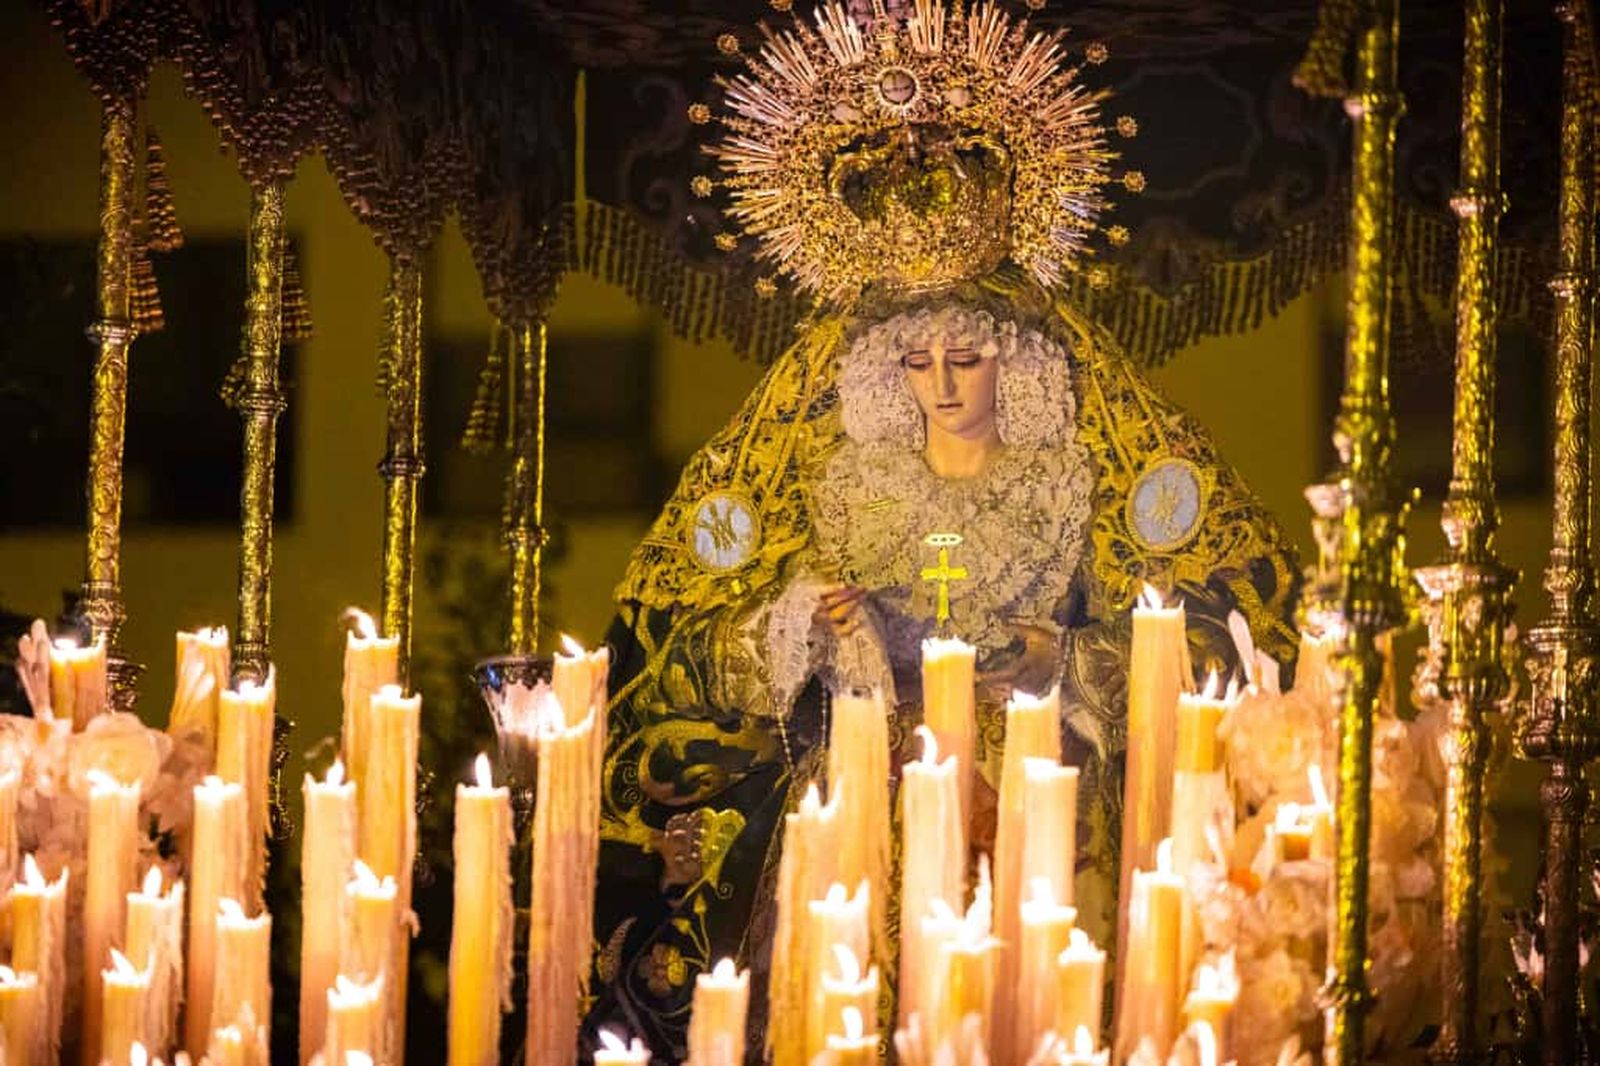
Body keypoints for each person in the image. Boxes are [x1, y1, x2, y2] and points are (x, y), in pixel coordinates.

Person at [583, 3, 1299, 1056]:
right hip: (852, 809)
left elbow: (1219, 642)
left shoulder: (1076, 477)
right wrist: (798, 628)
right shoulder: (825, 480)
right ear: (886, 372)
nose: (944, 385)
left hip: (1040, 817)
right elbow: (675, 654)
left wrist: (1059, 656)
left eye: (967, 357)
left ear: (1013, 357)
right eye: (917, 363)